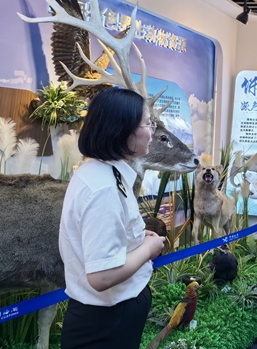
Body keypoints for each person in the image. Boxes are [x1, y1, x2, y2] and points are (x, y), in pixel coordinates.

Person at [59, 87, 166, 349]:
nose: (151, 132)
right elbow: (102, 276)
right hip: (106, 324)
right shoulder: (103, 189)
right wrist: (149, 249)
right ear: (122, 130)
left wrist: (137, 239)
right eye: (147, 124)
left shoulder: (103, 173)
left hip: (111, 317)